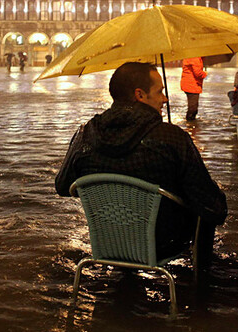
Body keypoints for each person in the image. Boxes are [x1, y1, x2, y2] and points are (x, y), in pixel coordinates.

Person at [56, 62, 228, 266]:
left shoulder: (85, 134)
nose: (165, 98)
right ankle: (202, 285)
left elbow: (62, 186)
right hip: (164, 244)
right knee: (206, 204)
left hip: (107, 242)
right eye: (160, 91)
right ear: (140, 95)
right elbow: (214, 208)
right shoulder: (171, 138)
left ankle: (124, 280)